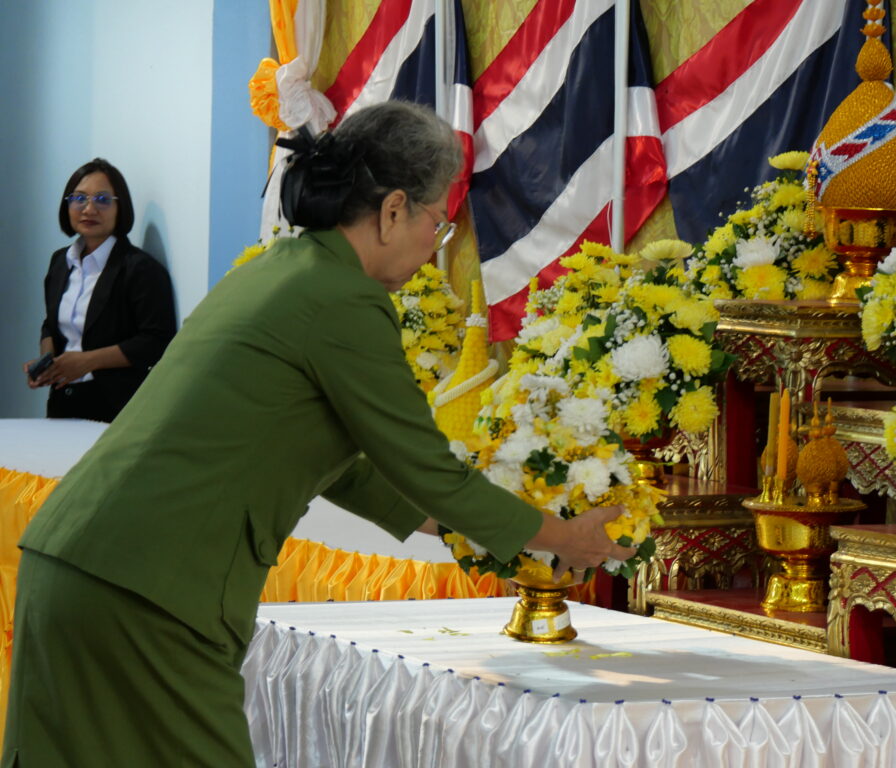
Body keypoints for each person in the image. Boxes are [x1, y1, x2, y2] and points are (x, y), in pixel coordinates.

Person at [3, 101, 634, 767]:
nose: (435, 245)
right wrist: (563, 537)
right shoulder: (344, 299)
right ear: (392, 211)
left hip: (78, 563)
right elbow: (427, 467)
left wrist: (456, 527)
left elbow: (343, 465)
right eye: (437, 224)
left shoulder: (279, 268)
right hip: (147, 590)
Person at [23, 158, 176, 423]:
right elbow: (51, 324)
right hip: (62, 400)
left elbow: (157, 341)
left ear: (120, 208)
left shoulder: (139, 269)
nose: (89, 209)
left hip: (117, 407)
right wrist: (47, 361)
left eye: (103, 200)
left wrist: (88, 361)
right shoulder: (60, 262)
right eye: (79, 199)